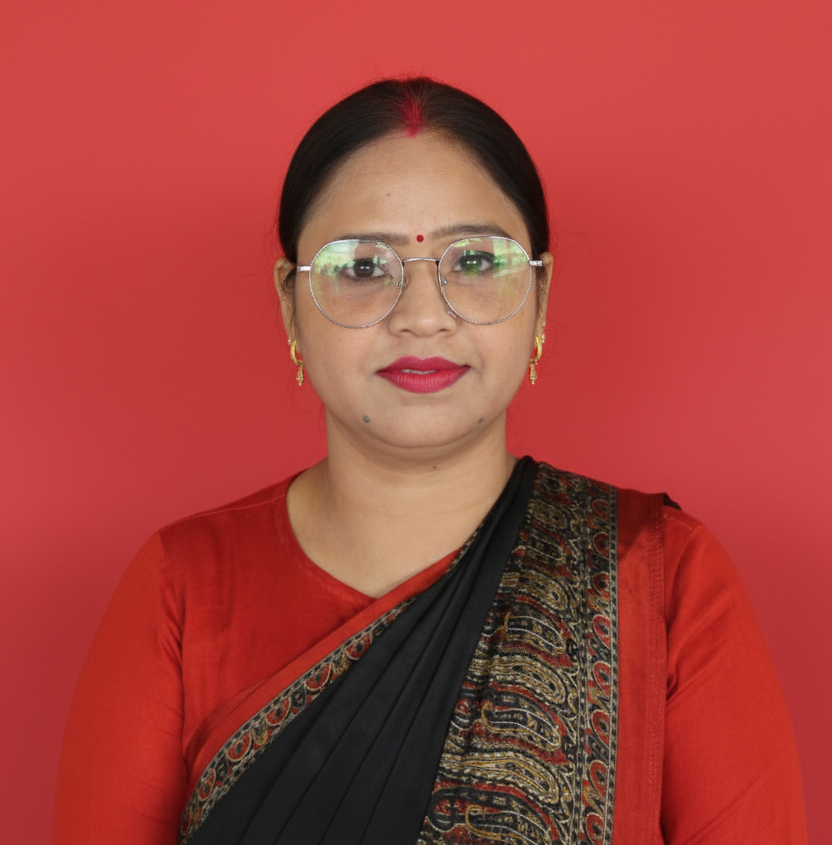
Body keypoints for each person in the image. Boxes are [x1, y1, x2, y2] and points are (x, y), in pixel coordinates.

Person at [53, 78, 807, 845]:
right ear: (290, 306)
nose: (421, 316)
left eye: (475, 260)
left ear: (540, 296)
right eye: (362, 267)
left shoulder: (660, 580)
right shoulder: (182, 591)